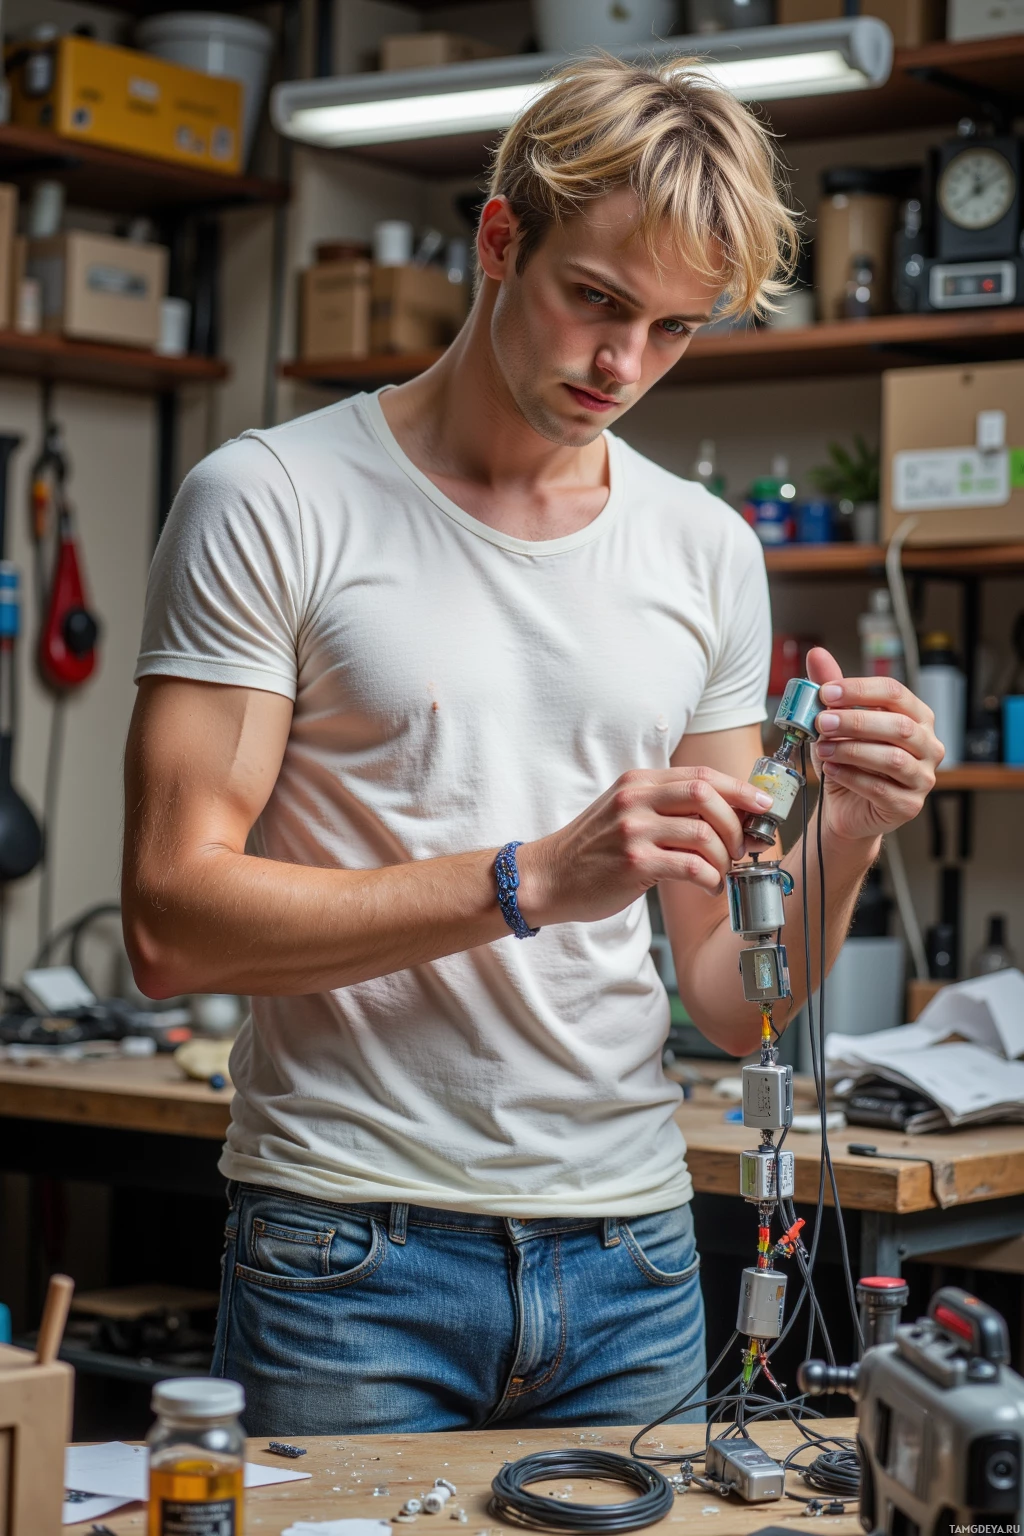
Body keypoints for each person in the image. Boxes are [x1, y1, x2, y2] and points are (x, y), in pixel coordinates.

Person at [123, 55, 942, 1437]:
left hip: (635, 1260)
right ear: (500, 240)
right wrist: (531, 882)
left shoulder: (706, 552)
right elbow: (169, 926)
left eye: (675, 330)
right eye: (598, 300)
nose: (625, 367)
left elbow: (729, 997)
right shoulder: (273, 499)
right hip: (350, 1250)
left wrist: (848, 832)